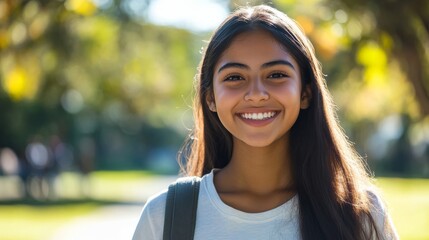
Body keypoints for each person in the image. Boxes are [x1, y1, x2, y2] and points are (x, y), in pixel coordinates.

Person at [133, 5, 398, 240]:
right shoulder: (163, 216)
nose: (257, 94)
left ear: (305, 93)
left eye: (276, 74)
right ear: (211, 98)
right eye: (235, 77)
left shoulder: (360, 214)